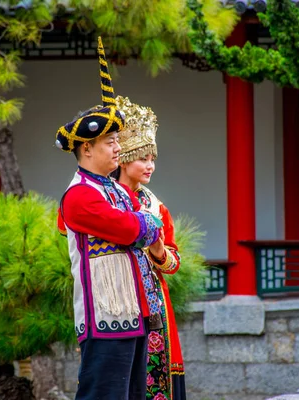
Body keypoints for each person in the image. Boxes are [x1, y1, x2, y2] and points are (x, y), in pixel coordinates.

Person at [55, 37, 166, 400]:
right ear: (86, 148)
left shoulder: (114, 190)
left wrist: (147, 225)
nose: (119, 147)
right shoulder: (80, 196)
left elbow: (143, 225)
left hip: (131, 313)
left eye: (118, 141)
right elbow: (134, 227)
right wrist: (148, 226)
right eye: (110, 142)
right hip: (105, 317)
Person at [112, 95, 186, 400]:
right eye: (144, 158)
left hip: (155, 303)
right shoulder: (103, 198)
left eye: (152, 159)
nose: (150, 166)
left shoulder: (156, 207)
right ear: (126, 158)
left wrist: (158, 250)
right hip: (114, 299)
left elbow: (175, 262)